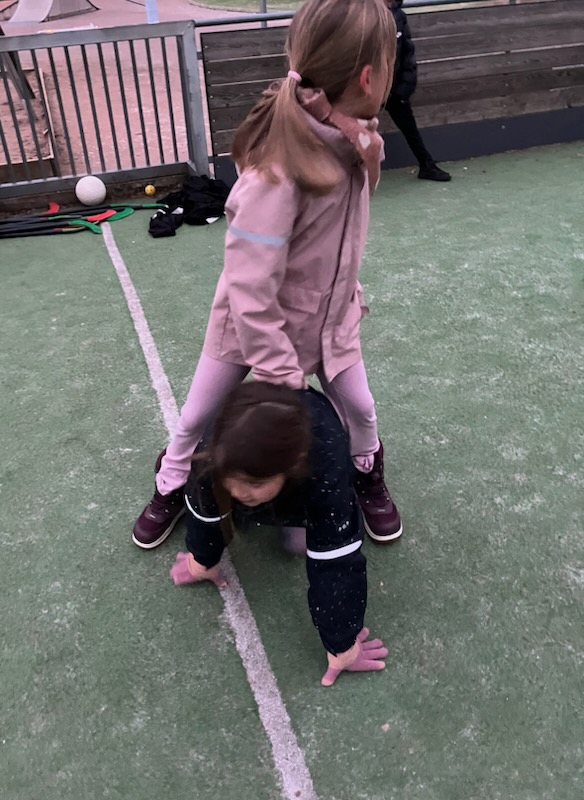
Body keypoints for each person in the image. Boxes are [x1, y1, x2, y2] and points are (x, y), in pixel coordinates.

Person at [133, 0, 403, 552]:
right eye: (391, 59)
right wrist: (277, 367)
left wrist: (367, 150)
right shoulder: (278, 170)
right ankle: (174, 476)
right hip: (250, 328)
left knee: (360, 409)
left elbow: (355, 210)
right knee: (198, 415)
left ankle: (365, 470)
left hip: (330, 320)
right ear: (369, 77)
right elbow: (249, 284)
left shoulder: (353, 140)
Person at [170, 381, 389, 686]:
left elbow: (337, 561)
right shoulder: (214, 451)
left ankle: (291, 513)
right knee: (224, 494)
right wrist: (202, 559)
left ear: (293, 467)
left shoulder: (326, 468)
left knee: (302, 542)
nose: (239, 491)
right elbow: (204, 508)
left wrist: (342, 644)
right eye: (233, 479)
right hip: (263, 466)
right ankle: (256, 496)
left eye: (254, 483)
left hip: (307, 481)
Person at [385, 0, 451, 182]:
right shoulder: (363, 17)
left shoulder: (399, 17)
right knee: (355, 131)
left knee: (410, 128)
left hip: (394, 88)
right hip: (367, 88)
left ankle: (426, 165)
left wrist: (403, 89)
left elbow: (408, 54)